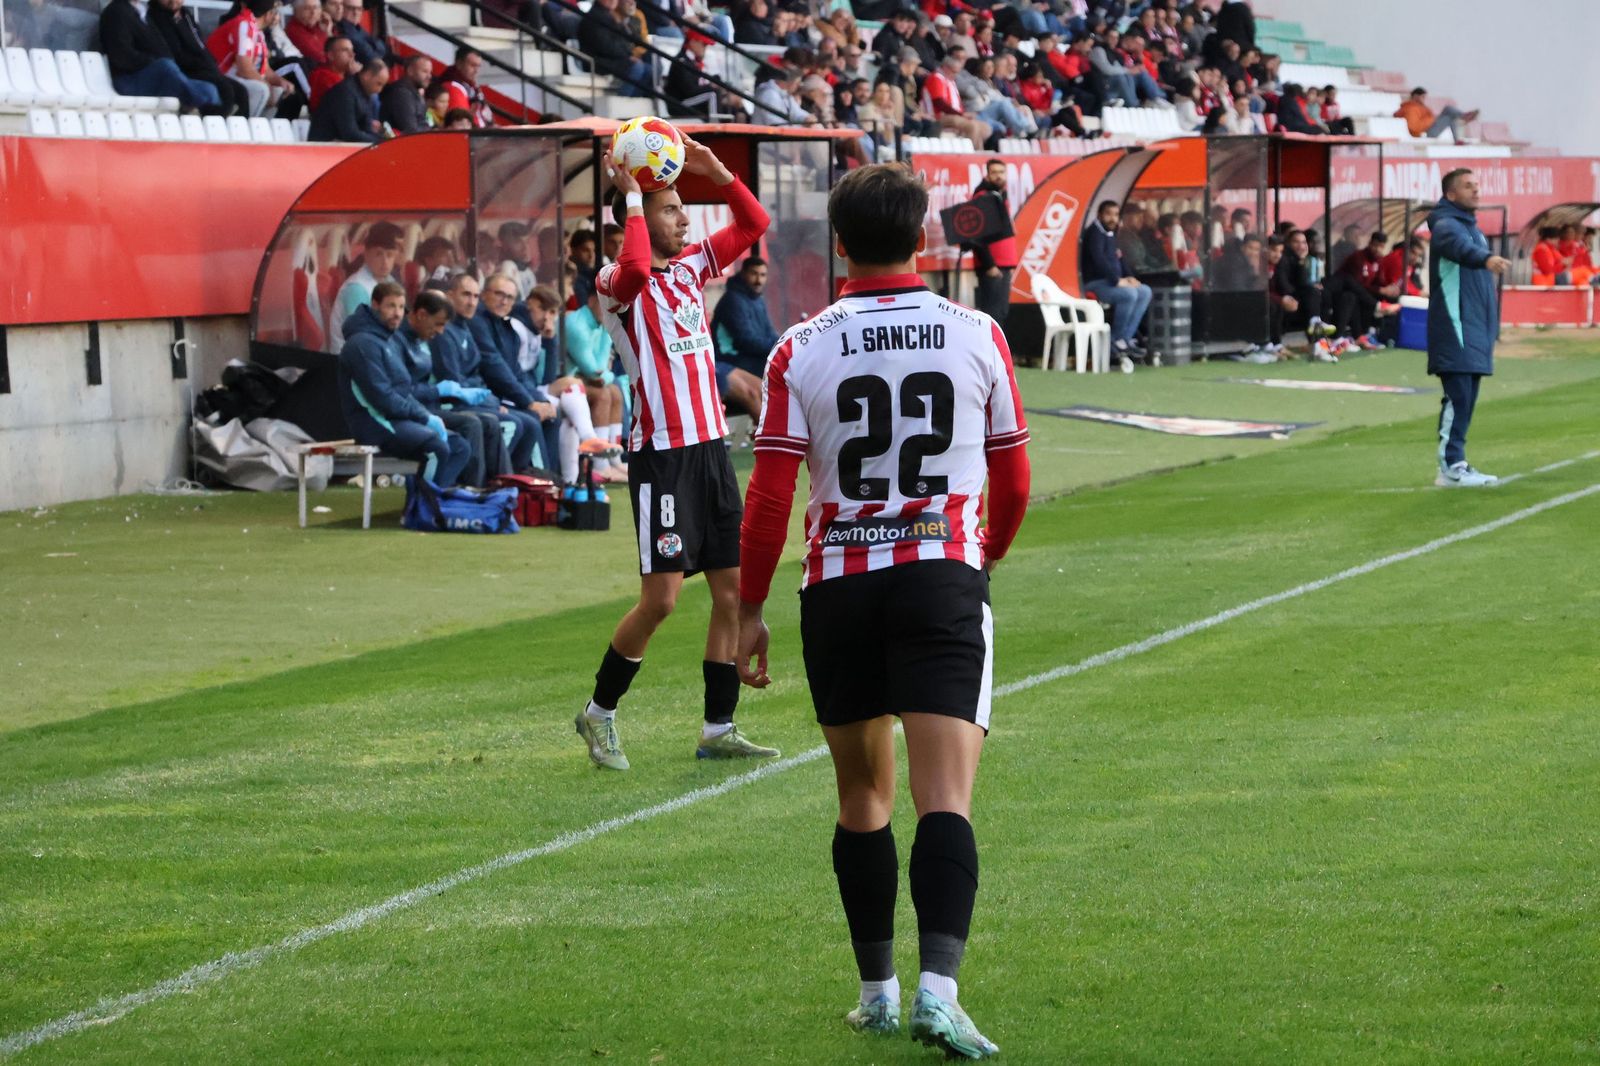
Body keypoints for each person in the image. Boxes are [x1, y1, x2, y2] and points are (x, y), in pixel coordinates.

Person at [734, 162, 1030, 1059]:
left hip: (840, 586)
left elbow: (770, 498)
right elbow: (1014, 477)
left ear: (837, 244)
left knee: (862, 795)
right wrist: (979, 561)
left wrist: (749, 609)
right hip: (939, 575)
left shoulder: (801, 345)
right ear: (924, 239)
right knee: (947, 795)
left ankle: (877, 992)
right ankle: (940, 988)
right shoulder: (976, 333)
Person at [573, 135, 778, 771]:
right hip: (661, 457)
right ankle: (598, 714)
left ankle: (718, 728)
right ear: (636, 216)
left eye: (682, 208)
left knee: (730, 592)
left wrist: (715, 170)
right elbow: (634, 269)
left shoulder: (690, 267)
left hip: (711, 451)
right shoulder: (613, 282)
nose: (683, 218)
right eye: (670, 210)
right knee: (661, 599)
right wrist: (634, 197)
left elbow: (754, 223)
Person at [337, 282, 472, 487]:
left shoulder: (387, 340)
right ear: (375, 305)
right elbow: (383, 399)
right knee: (437, 448)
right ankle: (424, 509)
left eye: (401, 307)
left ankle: (432, 504)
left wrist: (426, 416)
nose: (397, 313)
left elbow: (403, 390)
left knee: (459, 447)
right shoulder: (362, 344)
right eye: (391, 306)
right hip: (374, 422)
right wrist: (424, 416)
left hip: (396, 419)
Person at [1427, 169, 1509, 487]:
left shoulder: (1471, 228)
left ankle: (1456, 462)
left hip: (1474, 329)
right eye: (1467, 186)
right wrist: (1486, 259)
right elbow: (1457, 249)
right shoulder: (1447, 226)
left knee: (1467, 397)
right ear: (1450, 195)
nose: (1476, 190)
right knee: (1457, 396)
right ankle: (1450, 468)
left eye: (1477, 184)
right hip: (1455, 327)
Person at [393, 289, 507, 487]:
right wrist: (438, 390)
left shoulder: (421, 339)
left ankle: (502, 490)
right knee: (471, 424)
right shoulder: (398, 341)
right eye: (438, 324)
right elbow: (402, 391)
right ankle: (471, 492)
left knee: (489, 422)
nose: (441, 331)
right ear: (421, 315)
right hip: (410, 413)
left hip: (429, 407)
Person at [439, 272, 547, 473]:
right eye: (466, 295)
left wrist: (539, 400)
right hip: (452, 404)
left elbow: (514, 373)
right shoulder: (459, 327)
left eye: (474, 296)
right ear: (450, 296)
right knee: (516, 422)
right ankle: (493, 485)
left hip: (486, 400)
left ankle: (520, 483)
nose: (471, 302)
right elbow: (459, 380)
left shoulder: (498, 328)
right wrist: (499, 403)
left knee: (532, 422)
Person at [100, 0, 224, 110]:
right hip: (129, 79)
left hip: (154, 74)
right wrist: (154, 62)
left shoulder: (141, 12)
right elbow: (122, 55)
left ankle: (203, 113)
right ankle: (202, 108)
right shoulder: (116, 12)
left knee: (209, 88)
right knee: (165, 67)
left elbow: (163, 49)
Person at [147, 0, 250, 116]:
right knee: (225, 90)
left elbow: (201, 46)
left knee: (241, 92)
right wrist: (205, 66)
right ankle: (211, 125)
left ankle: (237, 131)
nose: (173, 1)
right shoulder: (155, 17)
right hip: (184, 71)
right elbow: (175, 54)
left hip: (205, 69)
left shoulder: (186, 15)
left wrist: (210, 65)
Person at [1081, 200, 1152, 361]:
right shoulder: (1094, 233)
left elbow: (1119, 258)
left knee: (1144, 291)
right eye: (1108, 214)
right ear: (1100, 215)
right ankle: (1115, 339)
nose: (1112, 218)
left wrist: (1129, 277)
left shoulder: (1111, 232)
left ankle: (1125, 338)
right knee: (1129, 295)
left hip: (1113, 283)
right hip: (1096, 284)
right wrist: (1117, 281)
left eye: (1115, 214)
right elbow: (1099, 261)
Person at [710, 256, 775, 417]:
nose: (758, 280)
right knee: (776, 374)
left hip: (746, 357)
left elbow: (769, 332)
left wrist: (781, 345)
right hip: (728, 358)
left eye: (762, 275)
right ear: (743, 273)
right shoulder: (733, 300)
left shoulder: (757, 299)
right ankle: (769, 433)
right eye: (754, 274)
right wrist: (776, 348)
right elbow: (745, 341)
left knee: (779, 369)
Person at [207, 0, 293, 117]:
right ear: (268, 14)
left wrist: (281, 81)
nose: (275, 15)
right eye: (274, 12)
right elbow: (244, 68)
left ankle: (261, 131)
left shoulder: (257, 30)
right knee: (262, 90)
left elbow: (265, 69)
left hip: (234, 75)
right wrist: (266, 84)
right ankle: (244, 130)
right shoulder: (244, 24)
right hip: (218, 74)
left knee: (279, 90)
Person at [327, 221, 403, 352]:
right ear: (366, 254)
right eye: (379, 254)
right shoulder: (356, 288)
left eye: (390, 255)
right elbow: (362, 336)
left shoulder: (390, 281)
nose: (385, 262)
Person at [963, 159, 1018, 330]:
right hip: (993, 266)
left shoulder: (999, 195)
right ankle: (991, 355)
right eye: (994, 172)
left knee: (1000, 312)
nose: (999, 176)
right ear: (987, 175)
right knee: (992, 315)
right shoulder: (984, 197)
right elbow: (976, 235)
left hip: (1003, 264)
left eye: (1001, 172)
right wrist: (989, 264)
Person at [1324, 230, 1395, 348]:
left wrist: (1387, 288)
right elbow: (1355, 284)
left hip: (1360, 294)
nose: (1378, 249)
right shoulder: (1358, 257)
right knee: (1353, 297)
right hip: (1340, 292)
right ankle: (1345, 337)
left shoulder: (1378, 261)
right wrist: (1379, 290)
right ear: (1370, 243)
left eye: (1381, 246)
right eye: (1375, 245)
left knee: (1373, 297)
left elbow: (1377, 282)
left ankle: (1366, 334)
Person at [580, 0, 651, 98]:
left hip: (611, 58)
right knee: (636, 67)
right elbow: (605, 46)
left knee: (649, 70)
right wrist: (628, 55)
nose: (613, 0)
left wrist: (624, 26)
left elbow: (628, 41)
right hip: (596, 61)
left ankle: (634, 101)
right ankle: (622, 101)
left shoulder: (611, 16)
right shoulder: (594, 17)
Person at [308, 56, 385, 142]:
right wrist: (381, 142)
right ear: (367, 75)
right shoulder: (345, 92)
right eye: (379, 84)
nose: (380, 90)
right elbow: (350, 134)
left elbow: (366, 128)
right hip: (324, 148)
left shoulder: (364, 93)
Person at [434, 47, 493, 126]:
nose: (476, 71)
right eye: (472, 65)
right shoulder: (452, 87)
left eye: (478, 66)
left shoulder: (472, 86)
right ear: (459, 64)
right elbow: (461, 124)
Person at [1396, 87, 1476, 141]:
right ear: (1416, 96)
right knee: (1449, 117)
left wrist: (1431, 120)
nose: (1424, 99)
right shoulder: (1411, 109)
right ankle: (1463, 119)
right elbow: (1414, 128)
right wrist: (1430, 121)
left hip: (1430, 126)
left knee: (1448, 109)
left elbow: (1428, 118)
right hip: (1427, 132)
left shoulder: (1422, 107)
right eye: (1423, 97)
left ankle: (1463, 116)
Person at [381, 53, 433, 133]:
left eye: (430, 72)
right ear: (410, 71)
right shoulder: (401, 93)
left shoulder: (415, 92)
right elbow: (410, 130)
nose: (429, 76)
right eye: (425, 71)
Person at [308, 34, 357, 109]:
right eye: (345, 50)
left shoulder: (345, 76)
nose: (352, 55)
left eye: (352, 50)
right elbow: (347, 103)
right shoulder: (322, 76)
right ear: (331, 56)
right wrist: (356, 78)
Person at [284, 0, 328, 66]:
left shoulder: (320, 26)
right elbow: (316, 56)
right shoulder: (293, 30)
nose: (313, 12)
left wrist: (328, 31)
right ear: (296, 11)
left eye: (315, 8)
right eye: (307, 8)